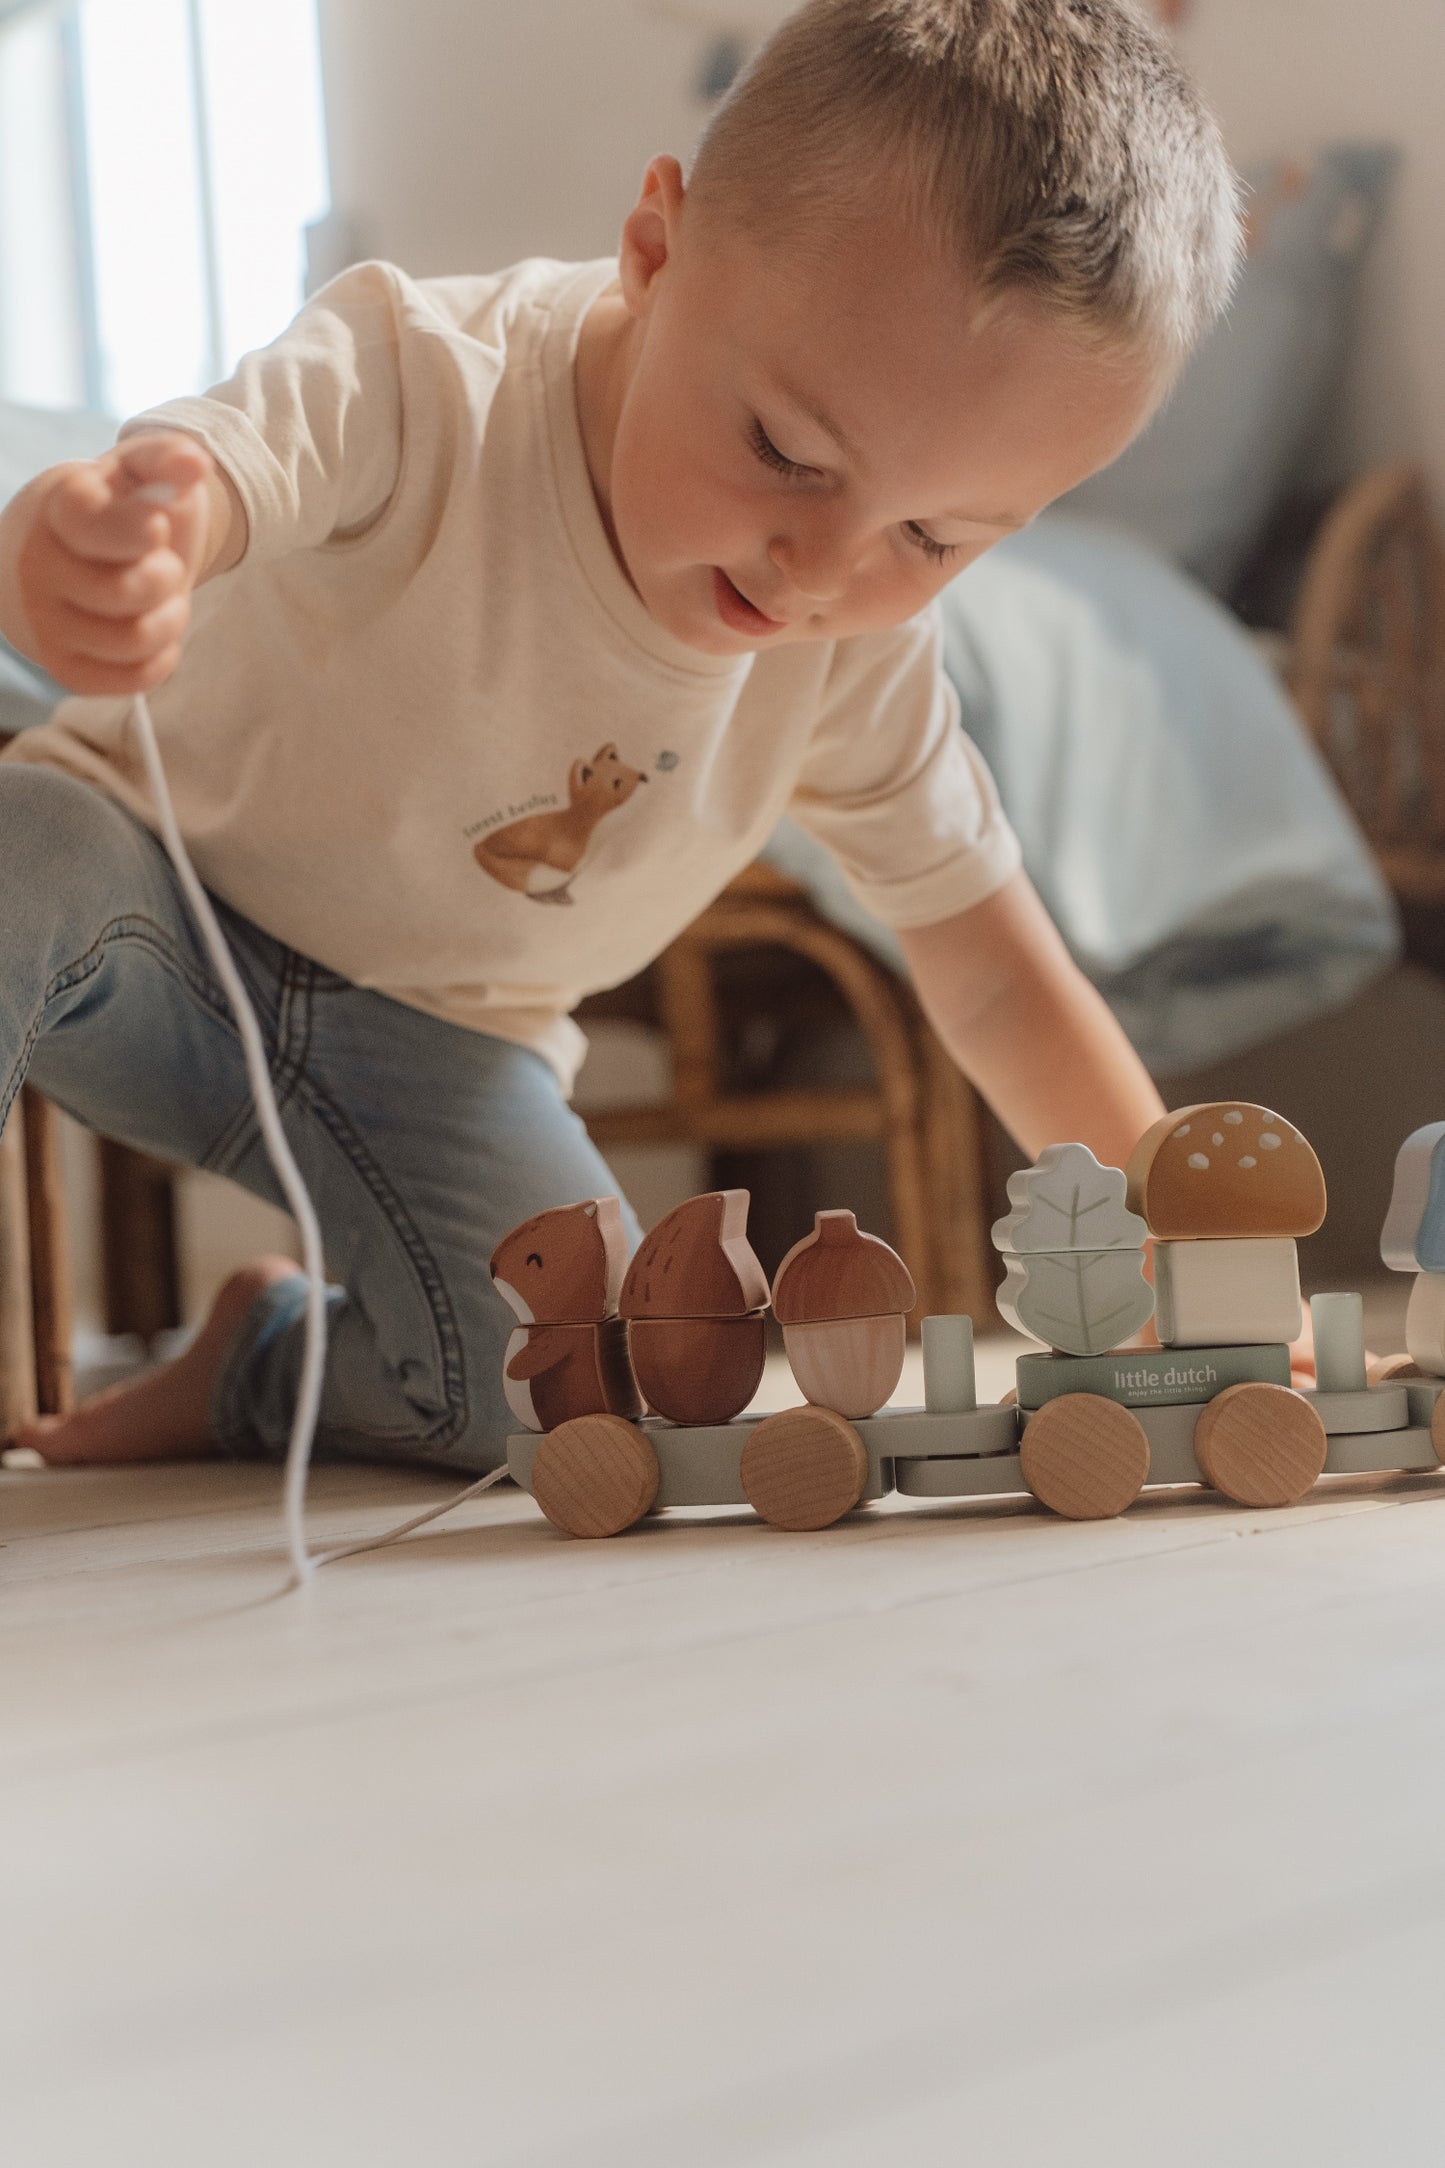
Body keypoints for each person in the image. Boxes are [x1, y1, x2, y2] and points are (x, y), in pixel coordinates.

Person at [0, 0, 1243, 1471]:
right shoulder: (423, 372)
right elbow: (206, 475)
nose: (816, 569)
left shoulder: (857, 656)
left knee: (580, 1394)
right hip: (140, 919)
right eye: (784, 451)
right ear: (652, 248)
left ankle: (260, 1370)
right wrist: (84, 552)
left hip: (447, 1041)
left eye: (929, 535)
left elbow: (990, 972)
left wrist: (1189, 1264)